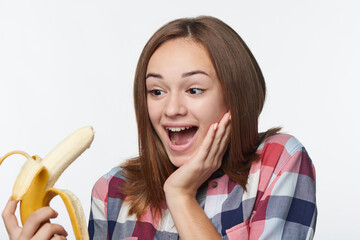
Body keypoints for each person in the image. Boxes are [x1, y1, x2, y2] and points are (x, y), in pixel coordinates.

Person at [2, 16, 317, 239]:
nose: (172, 109)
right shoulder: (113, 191)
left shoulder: (278, 162)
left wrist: (180, 195)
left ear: (236, 96)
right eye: (156, 91)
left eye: (194, 90)